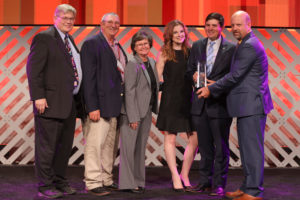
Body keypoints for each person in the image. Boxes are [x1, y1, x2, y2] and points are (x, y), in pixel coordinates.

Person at [197, 10, 273, 200]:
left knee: (252, 150)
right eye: (233, 25)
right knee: (247, 151)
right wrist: (216, 84)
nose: (235, 28)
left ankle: (254, 191)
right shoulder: (245, 43)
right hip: (247, 106)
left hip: (252, 106)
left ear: (249, 24)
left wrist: (211, 89)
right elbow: (239, 76)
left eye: (239, 25)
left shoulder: (249, 45)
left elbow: (236, 76)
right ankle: (247, 187)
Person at [26, 4, 85, 199]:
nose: (69, 21)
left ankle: (60, 181)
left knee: (63, 147)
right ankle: (45, 185)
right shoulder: (45, 38)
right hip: (49, 103)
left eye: (72, 19)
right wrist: (38, 96)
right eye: (65, 17)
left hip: (68, 104)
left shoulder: (69, 40)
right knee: (47, 147)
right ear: (55, 18)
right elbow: (34, 70)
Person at [186, 12, 235, 196]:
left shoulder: (231, 48)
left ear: (222, 27)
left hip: (220, 104)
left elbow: (233, 75)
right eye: (207, 25)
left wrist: (215, 86)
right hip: (199, 103)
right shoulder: (198, 45)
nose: (210, 28)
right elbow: (190, 68)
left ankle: (219, 185)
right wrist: (193, 76)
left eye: (214, 25)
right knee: (204, 147)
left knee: (221, 147)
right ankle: (205, 182)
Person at [81, 12, 128, 196]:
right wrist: (92, 106)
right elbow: (89, 79)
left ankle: (106, 179)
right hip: (98, 106)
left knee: (109, 146)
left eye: (117, 23)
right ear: (101, 24)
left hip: (115, 106)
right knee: (94, 145)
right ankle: (93, 182)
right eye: (110, 22)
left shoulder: (117, 45)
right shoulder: (91, 44)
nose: (114, 25)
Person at [156, 20, 198, 192]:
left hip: (189, 99)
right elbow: (158, 76)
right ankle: (175, 176)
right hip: (170, 99)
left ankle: (184, 174)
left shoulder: (191, 51)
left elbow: (197, 73)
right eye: (176, 32)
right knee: (170, 138)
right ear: (170, 35)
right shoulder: (165, 52)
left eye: (182, 31)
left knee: (195, 139)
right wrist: (159, 96)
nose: (179, 35)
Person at [118, 30, 159, 193]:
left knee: (139, 148)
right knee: (129, 149)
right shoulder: (132, 64)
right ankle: (128, 183)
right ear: (134, 47)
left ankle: (139, 180)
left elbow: (152, 87)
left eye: (146, 43)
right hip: (132, 113)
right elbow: (129, 91)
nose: (143, 46)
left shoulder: (151, 62)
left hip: (146, 111)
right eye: (139, 44)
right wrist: (132, 117)